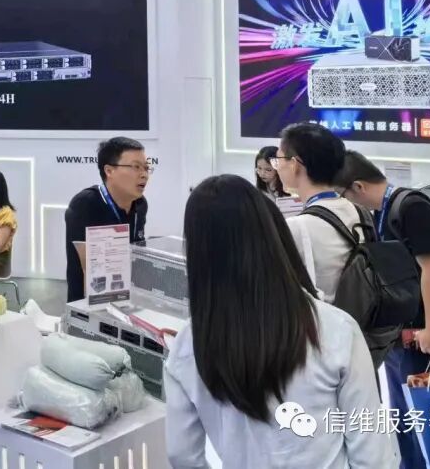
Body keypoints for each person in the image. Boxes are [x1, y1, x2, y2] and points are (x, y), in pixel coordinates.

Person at [164, 175, 393, 469]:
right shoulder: (335, 328)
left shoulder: (188, 344)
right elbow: (372, 454)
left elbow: (182, 454)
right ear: (271, 234)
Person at [336, 151, 430, 469]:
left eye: (343, 194)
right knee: (405, 417)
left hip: (425, 337)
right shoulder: (382, 212)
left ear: (358, 186)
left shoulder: (412, 208)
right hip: (400, 336)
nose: (345, 202)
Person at [274, 123, 360, 304]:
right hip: (357, 316)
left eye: (278, 159)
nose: (277, 167)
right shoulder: (358, 211)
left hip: (321, 318)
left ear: (294, 165)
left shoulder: (296, 227)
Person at [64, 137, 150, 303]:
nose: (144, 174)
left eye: (146, 168)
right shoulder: (86, 204)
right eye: (136, 167)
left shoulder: (140, 205)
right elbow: (83, 268)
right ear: (109, 171)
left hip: (130, 298)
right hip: (91, 301)